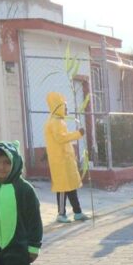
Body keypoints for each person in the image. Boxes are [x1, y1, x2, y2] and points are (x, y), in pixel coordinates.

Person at [43, 91, 89, 223]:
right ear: (58, 106)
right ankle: (61, 214)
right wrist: (78, 134)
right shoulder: (55, 122)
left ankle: (77, 212)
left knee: (71, 186)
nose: (66, 108)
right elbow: (61, 138)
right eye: (64, 106)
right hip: (60, 160)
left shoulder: (59, 121)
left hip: (65, 159)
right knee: (63, 187)